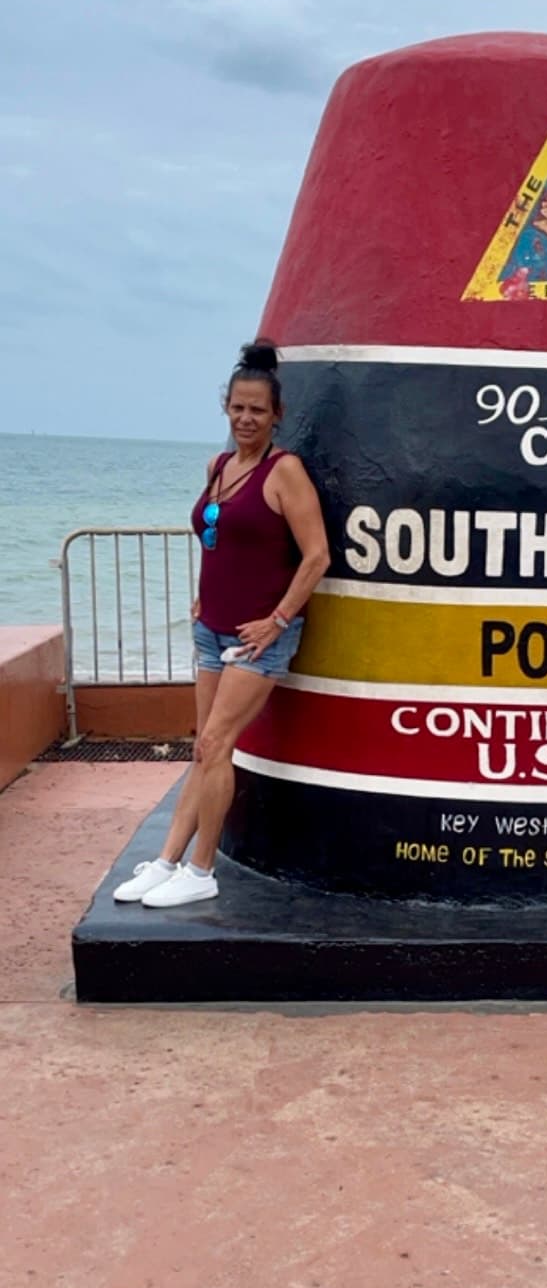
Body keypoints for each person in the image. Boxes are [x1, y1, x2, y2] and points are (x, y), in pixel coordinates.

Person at [113, 340, 330, 907]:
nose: (246, 418)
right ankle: (167, 861)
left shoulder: (286, 473)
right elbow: (221, 542)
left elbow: (317, 557)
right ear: (225, 407)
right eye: (238, 407)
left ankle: (203, 869)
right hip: (211, 630)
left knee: (218, 742)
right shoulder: (218, 467)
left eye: (258, 409)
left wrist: (279, 620)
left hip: (255, 641)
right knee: (202, 751)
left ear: (277, 414)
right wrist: (199, 598)